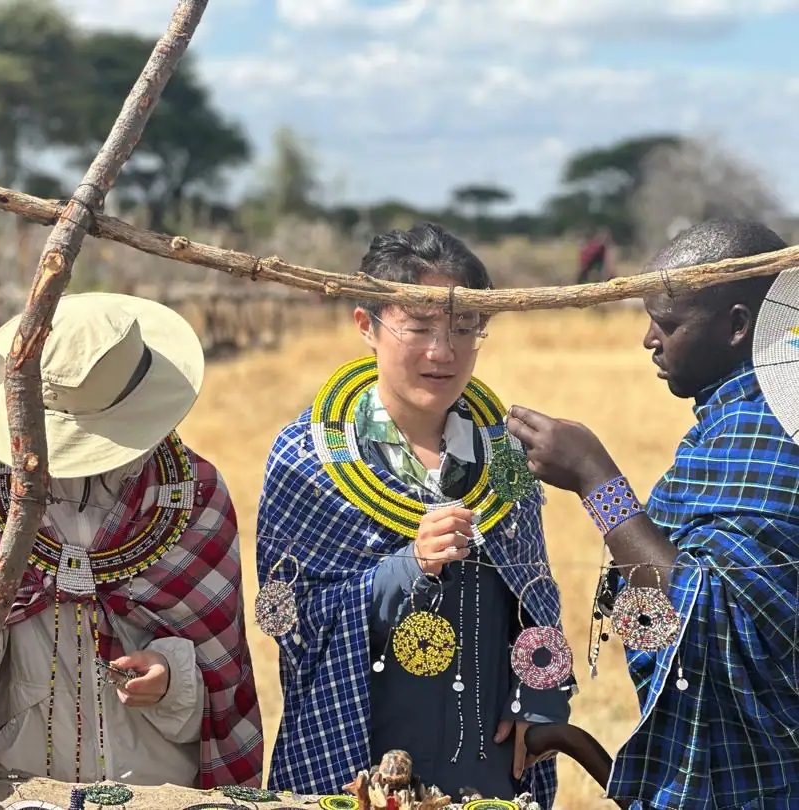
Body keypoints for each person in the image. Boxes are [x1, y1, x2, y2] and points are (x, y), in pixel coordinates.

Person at [0, 292, 264, 789]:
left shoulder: (194, 495)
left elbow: (220, 672)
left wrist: (171, 677)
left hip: (152, 787)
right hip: (7, 786)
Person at [256, 223, 573, 806]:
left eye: (463, 327)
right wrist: (406, 568)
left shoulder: (501, 454)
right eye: (420, 327)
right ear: (366, 326)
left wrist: (542, 701)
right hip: (358, 757)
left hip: (484, 759)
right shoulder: (308, 456)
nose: (443, 351)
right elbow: (288, 622)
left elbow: (536, 594)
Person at [506, 217, 799, 810]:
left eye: (666, 323)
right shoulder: (729, 421)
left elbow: (705, 625)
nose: (648, 340)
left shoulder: (766, 435)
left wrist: (598, 481)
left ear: (737, 326)